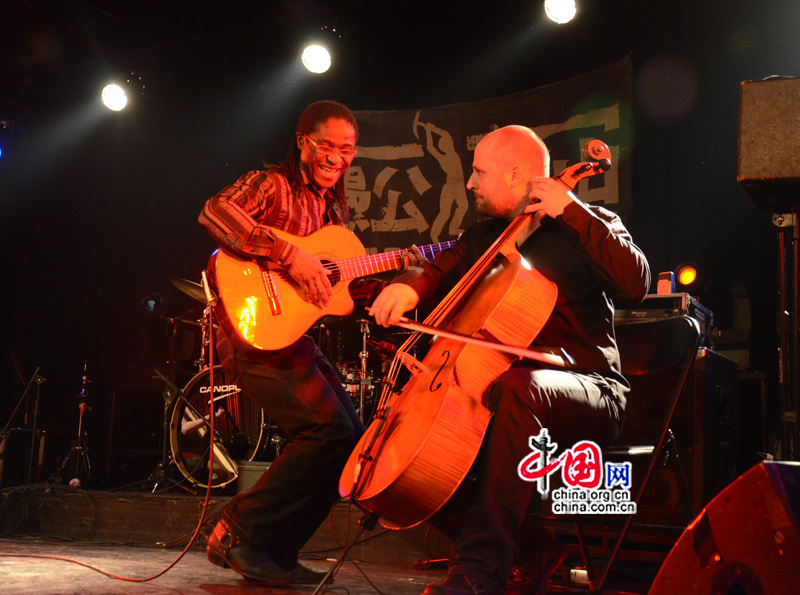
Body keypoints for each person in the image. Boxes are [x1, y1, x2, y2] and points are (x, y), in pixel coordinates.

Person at [369, 125, 650, 595]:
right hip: (509, 397)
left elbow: (636, 281)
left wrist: (574, 212)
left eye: (479, 172)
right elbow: (436, 267)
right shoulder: (485, 236)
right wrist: (407, 285)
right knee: (404, 460)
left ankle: (478, 575)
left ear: (516, 173)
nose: (472, 183)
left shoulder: (586, 222)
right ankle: (530, 548)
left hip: (590, 389)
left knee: (521, 387)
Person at [198, 100, 366, 586]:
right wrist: (288, 254)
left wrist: (398, 276)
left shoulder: (333, 207)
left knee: (351, 438)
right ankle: (237, 532)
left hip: (289, 336)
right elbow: (215, 211)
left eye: (348, 150)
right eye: (328, 146)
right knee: (328, 432)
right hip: (247, 332)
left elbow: (326, 280)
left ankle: (278, 549)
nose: (337, 158)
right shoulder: (271, 184)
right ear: (303, 142)